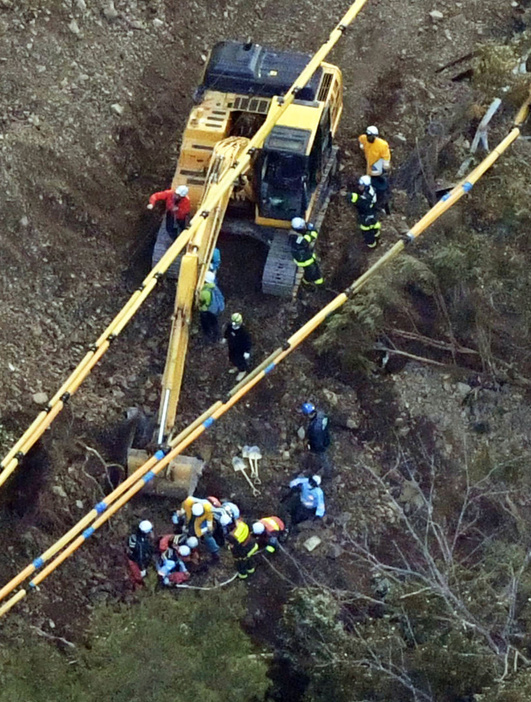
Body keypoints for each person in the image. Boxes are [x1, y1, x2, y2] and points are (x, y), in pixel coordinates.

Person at [358, 126, 391, 214]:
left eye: (374, 137)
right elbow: (361, 139)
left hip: (378, 166)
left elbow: (386, 156)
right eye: (370, 136)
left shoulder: (382, 145)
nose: (372, 139)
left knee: (380, 186)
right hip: (369, 165)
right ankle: (368, 199)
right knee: (369, 183)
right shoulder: (364, 139)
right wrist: (361, 145)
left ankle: (380, 204)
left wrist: (385, 163)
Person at [180, 496, 220, 562]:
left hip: (203, 521)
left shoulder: (208, 509)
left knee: (207, 536)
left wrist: (201, 531)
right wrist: (184, 523)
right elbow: (183, 511)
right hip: (191, 517)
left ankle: (214, 552)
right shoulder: (188, 502)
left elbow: (209, 524)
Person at [347, 175, 381, 249]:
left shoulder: (367, 196)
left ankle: (371, 245)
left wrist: (349, 196)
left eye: (361, 185)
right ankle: (376, 235)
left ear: (365, 186)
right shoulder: (370, 189)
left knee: (366, 229)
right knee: (374, 224)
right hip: (372, 211)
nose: (359, 186)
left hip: (366, 213)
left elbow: (360, 200)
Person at [289, 217, 324, 286]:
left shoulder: (293, 235)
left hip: (302, 256)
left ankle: (314, 282)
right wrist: (311, 229)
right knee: (312, 271)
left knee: (313, 269)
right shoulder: (301, 240)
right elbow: (313, 234)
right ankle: (308, 284)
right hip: (304, 259)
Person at [301, 402, 332, 477]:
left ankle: (327, 474)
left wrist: (312, 447)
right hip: (325, 436)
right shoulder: (322, 414)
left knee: (322, 457)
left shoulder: (314, 428)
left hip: (320, 444)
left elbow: (317, 443)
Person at [223, 312, 252, 382]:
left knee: (240, 360)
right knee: (232, 357)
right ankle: (236, 366)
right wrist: (225, 338)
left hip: (240, 350)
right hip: (232, 347)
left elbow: (248, 342)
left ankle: (242, 370)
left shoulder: (243, 332)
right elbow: (227, 332)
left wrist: (247, 351)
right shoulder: (230, 326)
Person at [126, 519, 154, 589]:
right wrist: (142, 569)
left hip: (132, 555)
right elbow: (140, 557)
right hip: (134, 560)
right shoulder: (141, 544)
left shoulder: (134, 536)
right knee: (137, 577)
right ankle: (137, 587)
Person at [199, 270, 224, 342]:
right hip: (214, 310)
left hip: (206, 311)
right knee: (214, 323)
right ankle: (218, 337)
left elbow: (203, 302)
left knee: (206, 325)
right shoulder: (213, 287)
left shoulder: (205, 292)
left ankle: (208, 337)